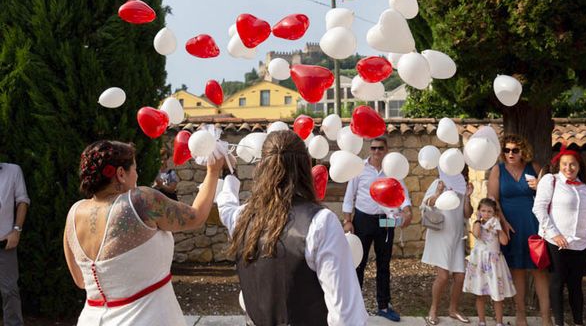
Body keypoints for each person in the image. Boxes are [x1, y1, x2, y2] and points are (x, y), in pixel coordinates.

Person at [63, 140, 224, 326]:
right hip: (146, 318)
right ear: (121, 174)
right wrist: (213, 172)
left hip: (90, 319)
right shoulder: (141, 201)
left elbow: (81, 281)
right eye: (135, 169)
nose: (137, 175)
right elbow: (196, 217)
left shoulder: (74, 213)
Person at [217, 130, 368, 326]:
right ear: (305, 167)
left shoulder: (242, 217)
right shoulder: (321, 223)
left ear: (261, 168)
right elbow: (346, 316)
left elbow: (225, 207)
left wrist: (229, 173)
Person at [533, 145, 586, 326]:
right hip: (556, 243)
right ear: (559, 165)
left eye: (572, 164)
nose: (568, 168)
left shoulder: (585, 189)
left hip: (580, 245)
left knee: (576, 286)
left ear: (579, 166)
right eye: (565, 164)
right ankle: (559, 323)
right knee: (557, 283)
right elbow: (539, 209)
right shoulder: (551, 180)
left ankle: (578, 322)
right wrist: (554, 234)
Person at [342, 136, 412, 322]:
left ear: (386, 149)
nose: (376, 152)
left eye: (380, 148)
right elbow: (350, 195)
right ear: (369, 149)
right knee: (358, 263)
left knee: (384, 264)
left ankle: (383, 305)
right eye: (373, 148)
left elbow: (402, 193)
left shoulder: (393, 169)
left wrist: (407, 211)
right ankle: (355, 307)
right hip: (363, 219)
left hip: (386, 221)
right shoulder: (360, 169)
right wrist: (347, 220)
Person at [487, 134, 551, 326]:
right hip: (510, 227)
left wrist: (540, 186)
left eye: (515, 150)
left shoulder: (535, 167)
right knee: (518, 272)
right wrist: (503, 222)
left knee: (540, 271)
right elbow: (493, 199)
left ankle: (546, 317)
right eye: (506, 150)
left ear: (523, 150)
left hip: (534, 226)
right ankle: (520, 315)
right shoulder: (497, 170)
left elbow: (549, 196)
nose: (510, 154)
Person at [421, 166, 473, 325]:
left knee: (460, 276)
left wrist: (468, 196)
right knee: (443, 276)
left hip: (457, 236)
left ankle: (453, 310)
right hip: (439, 235)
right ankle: (433, 310)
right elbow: (426, 204)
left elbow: (467, 214)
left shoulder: (462, 186)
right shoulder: (439, 182)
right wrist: (438, 193)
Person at [463, 197, 516, 326]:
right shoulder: (477, 223)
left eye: (489, 211)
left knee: (497, 293)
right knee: (480, 293)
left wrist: (498, 228)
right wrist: (477, 220)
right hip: (480, 261)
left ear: (494, 213)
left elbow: (504, 241)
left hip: (494, 262)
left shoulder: (496, 225)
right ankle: (482, 321)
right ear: (479, 211)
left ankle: (499, 322)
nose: (486, 214)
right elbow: (476, 234)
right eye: (483, 211)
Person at [0, 161, 29, 326]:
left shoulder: (13, 170)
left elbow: (22, 201)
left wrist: (17, 230)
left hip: (4, 242)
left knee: (10, 290)